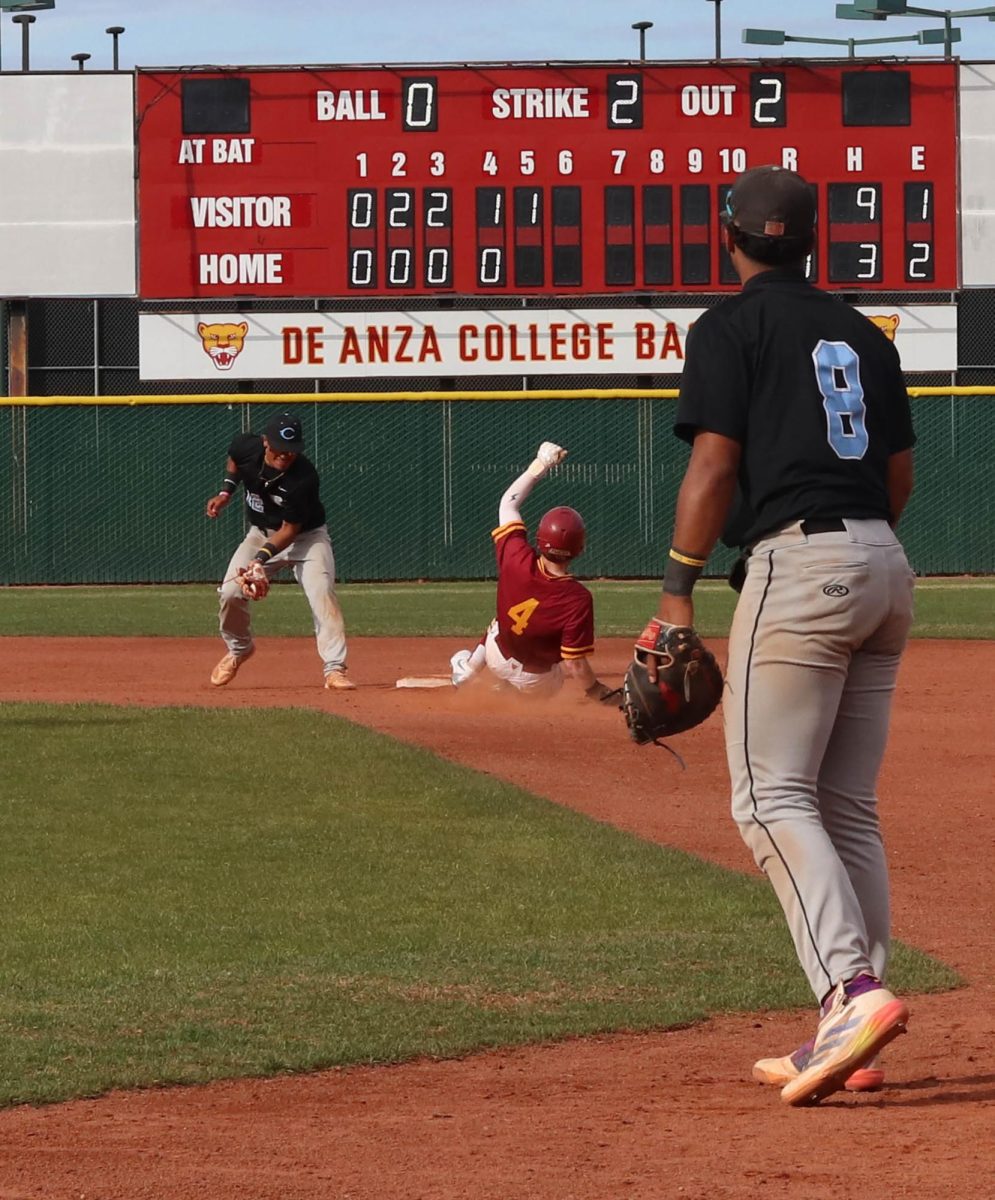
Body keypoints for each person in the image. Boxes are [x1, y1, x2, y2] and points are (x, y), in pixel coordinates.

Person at [650, 165, 916, 1106]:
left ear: (729, 235)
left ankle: (851, 994)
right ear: (812, 241)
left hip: (799, 565)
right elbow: (896, 479)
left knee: (766, 799)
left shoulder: (729, 327)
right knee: (843, 805)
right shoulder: (860, 333)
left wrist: (677, 590)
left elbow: (715, 463)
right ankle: (853, 1028)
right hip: (884, 564)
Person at [450, 442, 617, 704]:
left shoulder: (516, 556)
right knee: (556, 669)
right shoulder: (578, 598)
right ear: (580, 549)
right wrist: (596, 691)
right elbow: (574, 662)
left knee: (502, 620)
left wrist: (539, 465)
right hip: (537, 682)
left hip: (496, 657)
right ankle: (509, 693)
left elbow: (508, 504)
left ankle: (468, 671)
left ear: (539, 539)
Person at [204, 412, 355, 691]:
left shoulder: (304, 478)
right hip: (260, 533)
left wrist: (259, 560)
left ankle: (335, 669)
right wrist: (226, 492)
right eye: (280, 449)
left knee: (321, 592)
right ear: (265, 442)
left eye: (292, 450)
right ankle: (239, 649)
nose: (285, 455)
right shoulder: (247, 447)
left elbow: (290, 530)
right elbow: (234, 458)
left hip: (307, 538)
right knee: (230, 593)